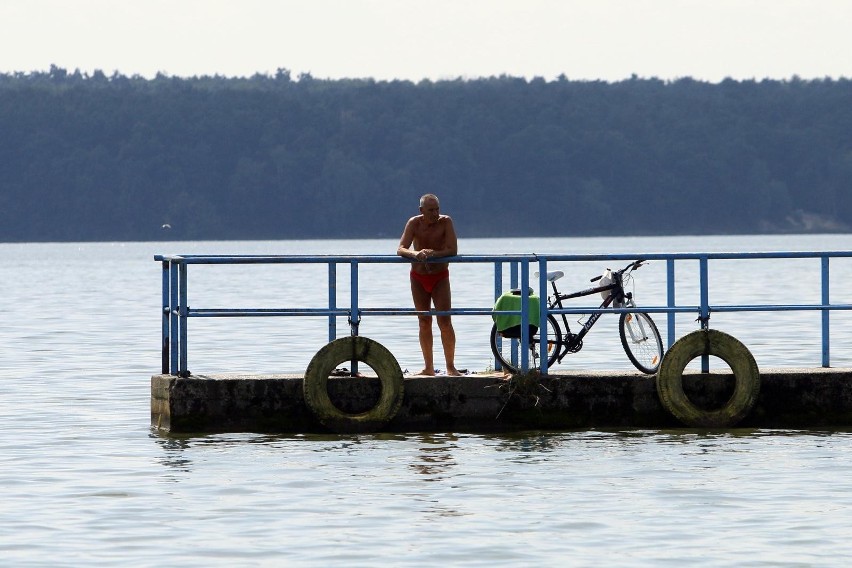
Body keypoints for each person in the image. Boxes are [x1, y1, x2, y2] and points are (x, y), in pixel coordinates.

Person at [397, 194, 461, 376]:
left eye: (437, 209)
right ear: (421, 211)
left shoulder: (446, 222)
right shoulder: (414, 223)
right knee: (424, 321)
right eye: (431, 210)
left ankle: (450, 366)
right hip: (418, 276)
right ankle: (428, 367)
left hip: (440, 276)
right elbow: (401, 248)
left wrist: (433, 254)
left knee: (445, 321)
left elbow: (452, 250)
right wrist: (415, 254)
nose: (435, 213)